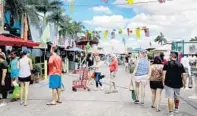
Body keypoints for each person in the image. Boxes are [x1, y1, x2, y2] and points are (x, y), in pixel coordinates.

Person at [163, 51, 187, 116]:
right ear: (176, 57)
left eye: (170, 55)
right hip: (178, 83)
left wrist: (163, 81)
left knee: (170, 97)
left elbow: (164, 74)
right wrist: (184, 83)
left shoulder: (167, 64)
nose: (169, 56)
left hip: (168, 83)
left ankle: (171, 112)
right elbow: (184, 75)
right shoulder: (180, 64)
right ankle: (176, 108)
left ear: (171, 56)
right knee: (177, 97)